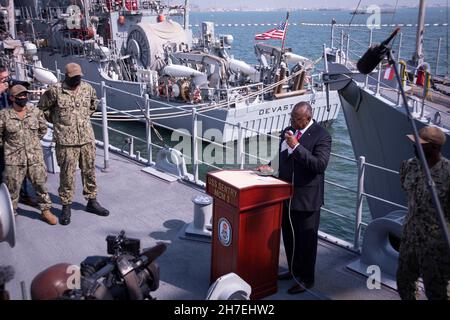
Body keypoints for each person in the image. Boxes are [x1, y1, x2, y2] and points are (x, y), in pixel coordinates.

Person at [258, 101, 332, 294]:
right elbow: (281, 157)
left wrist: (297, 146)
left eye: (296, 119)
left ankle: (307, 279)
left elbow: (319, 165)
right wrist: (269, 166)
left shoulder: (322, 136)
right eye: (291, 117)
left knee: (306, 241)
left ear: (307, 118)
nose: (292, 122)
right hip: (285, 195)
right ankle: (293, 270)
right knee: (289, 236)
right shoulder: (289, 130)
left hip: (307, 199)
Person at [38, 62, 109, 225]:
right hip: (66, 141)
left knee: (89, 171)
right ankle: (66, 206)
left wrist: (81, 120)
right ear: (66, 77)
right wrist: (57, 121)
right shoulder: (55, 91)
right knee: (67, 174)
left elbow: (93, 105)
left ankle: (92, 201)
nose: (77, 80)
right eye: (74, 77)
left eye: (79, 77)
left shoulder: (87, 88)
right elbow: (41, 109)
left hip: (86, 139)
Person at [397, 126, 450, 300]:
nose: (414, 146)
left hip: (436, 246)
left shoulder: (448, 174)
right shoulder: (408, 166)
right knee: (404, 283)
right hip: (410, 239)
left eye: (421, 144)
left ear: (435, 148)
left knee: (438, 292)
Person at [0, 85, 57, 224]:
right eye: (20, 96)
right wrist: (9, 148)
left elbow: (42, 129)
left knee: (40, 184)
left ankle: (45, 211)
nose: (23, 98)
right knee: (12, 189)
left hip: (34, 157)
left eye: (25, 95)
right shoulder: (4, 115)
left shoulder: (35, 112)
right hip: (14, 159)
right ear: (12, 98)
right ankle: (10, 214)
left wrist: (32, 143)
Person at [0, 65, 39, 208]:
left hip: (12, 137)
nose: (5, 81)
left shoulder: (8, 86)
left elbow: (22, 87)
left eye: (6, 77)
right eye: (2, 78)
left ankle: (23, 195)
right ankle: (4, 204)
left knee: (20, 166)